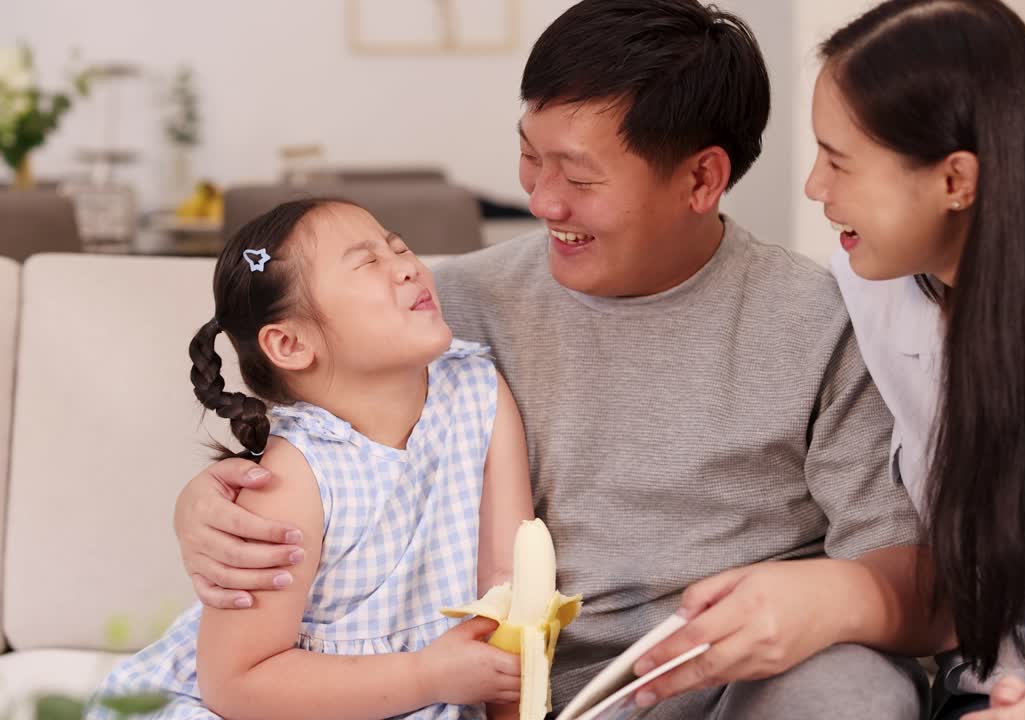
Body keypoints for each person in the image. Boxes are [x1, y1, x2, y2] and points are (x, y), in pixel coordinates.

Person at [169, 2, 953, 717]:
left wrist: (821, 598)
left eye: (579, 176)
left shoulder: (816, 322)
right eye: (529, 159)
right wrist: (214, 503)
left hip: (737, 684)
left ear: (701, 179)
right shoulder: (448, 313)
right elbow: (327, 452)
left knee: (856, 688)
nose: (544, 201)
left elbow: (910, 576)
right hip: (523, 692)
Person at [799, 0, 1025, 717]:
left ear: (957, 180)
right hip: (982, 686)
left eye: (839, 162)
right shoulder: (865, 289)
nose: (815, 188)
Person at [89, 199, 535, 719]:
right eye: (368, 263)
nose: (409, 264)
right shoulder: (292, 479)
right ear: (290, 343)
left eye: (397, 246)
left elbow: (508, 584)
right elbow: (237, 683)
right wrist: (426, 674)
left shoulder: (478, 391)